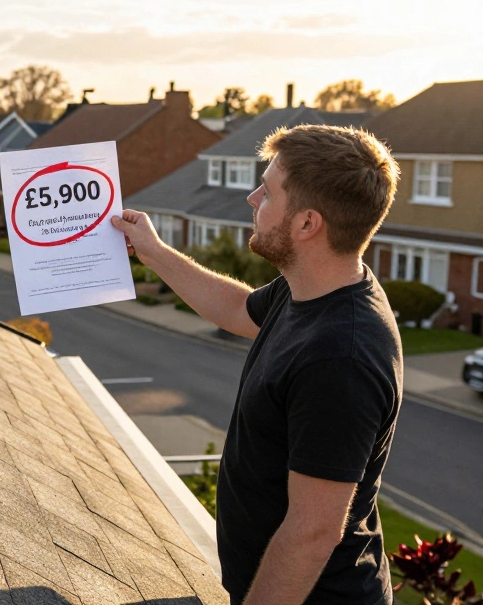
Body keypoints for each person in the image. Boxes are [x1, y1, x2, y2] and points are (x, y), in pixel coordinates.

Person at [112, 125, 403, 605]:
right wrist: (155, 253)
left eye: (267, 192)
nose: (251, 199)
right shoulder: (312, 284)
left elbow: (312, 532)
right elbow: (237, 309)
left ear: (307, 224)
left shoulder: (340, 357)